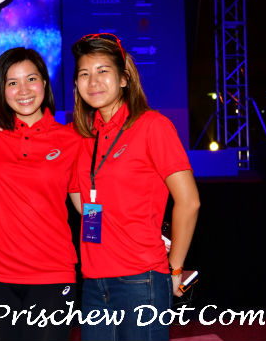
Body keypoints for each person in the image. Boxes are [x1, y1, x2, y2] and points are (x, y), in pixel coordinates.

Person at [70, 33, 200, 341]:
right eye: (84, 74)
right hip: (94, 281)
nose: (93, 81)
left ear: (124, 78)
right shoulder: (82, 136)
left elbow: (189, 202)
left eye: (103, 71)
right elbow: (80, 197)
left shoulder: (152, 126)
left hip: (142, 280)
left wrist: (175, 268)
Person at [0, 47, 81, 341]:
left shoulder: (70, 139)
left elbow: (87, 205)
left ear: (44, 82)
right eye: (12, 82)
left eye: (31, 79)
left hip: (52, 274)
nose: (24, 90)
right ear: (0, 89)